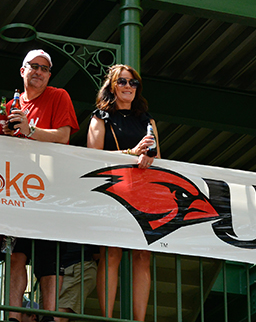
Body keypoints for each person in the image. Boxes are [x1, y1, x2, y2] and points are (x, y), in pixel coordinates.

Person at [2, 49, 79, 322]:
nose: (39, 71)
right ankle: (12, 316)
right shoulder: (12, 104)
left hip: (50, 189)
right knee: (15, 256)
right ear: (22, 70)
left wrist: (30, 130)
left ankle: (49, 317)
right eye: (33, 66)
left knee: (48, 261)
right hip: (15, 188)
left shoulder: (59, 96)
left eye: (44, 68)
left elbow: (63, 135)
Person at [86, 64, 157, 321]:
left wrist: (148, 155)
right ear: (112, 86)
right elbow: (92, 158)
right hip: (112, 189)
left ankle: (139, 319)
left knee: (143, 255)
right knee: (111, 252)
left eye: (133, 83)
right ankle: (108, 317)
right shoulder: (100, 117)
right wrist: (131, 153)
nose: (129, 87)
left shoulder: (146, 120)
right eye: (123, 82)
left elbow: (157, 156)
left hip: (143, 191)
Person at [54, 244, 99, 322]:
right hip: (57, 271)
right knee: (49, 317)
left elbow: (98, 254)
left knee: (56, 317)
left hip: (75, 266)